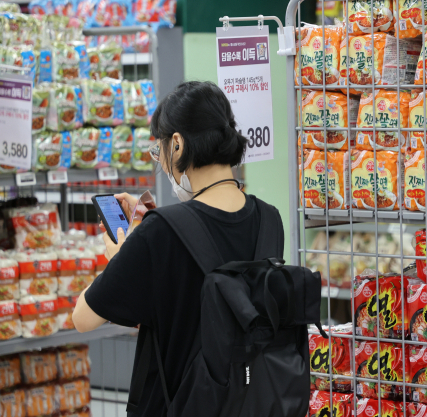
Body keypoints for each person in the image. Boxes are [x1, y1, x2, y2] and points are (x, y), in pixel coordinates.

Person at [72, 81, 283, 416]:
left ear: (178, 144)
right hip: (251, 403)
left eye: (159, 151)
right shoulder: (270, 219)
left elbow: (83, 317)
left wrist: (121, 256)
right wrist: (148, 234)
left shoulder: (160, 233)